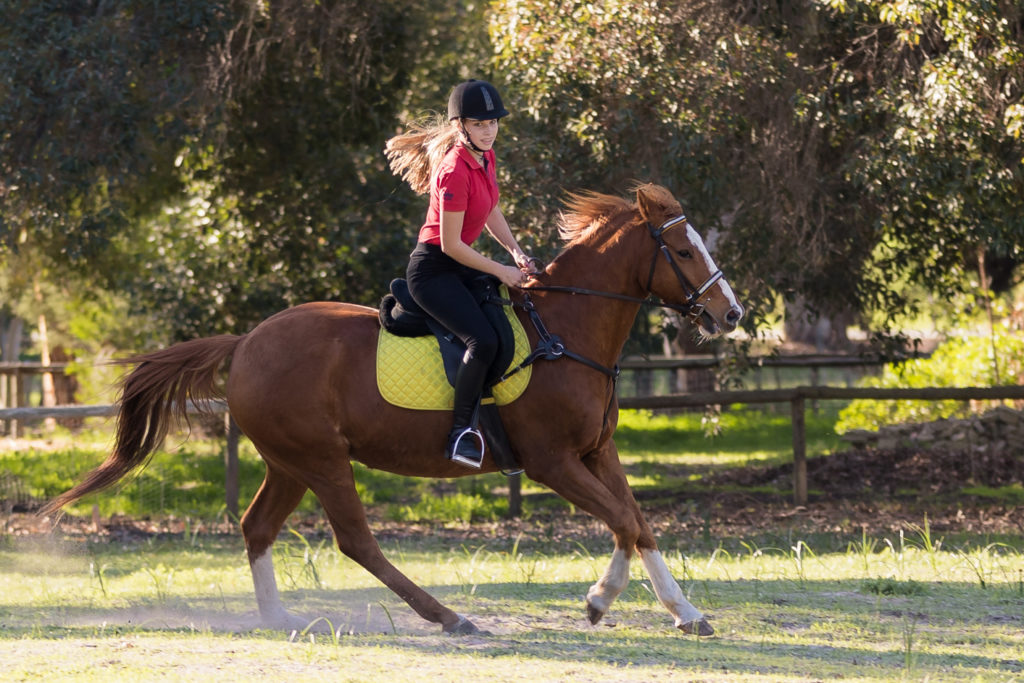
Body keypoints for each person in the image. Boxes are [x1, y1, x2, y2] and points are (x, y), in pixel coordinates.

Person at [385, 79, 537, 468]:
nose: (489, 130)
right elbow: (451, 246)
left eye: (493, 123)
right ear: (461, 127)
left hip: (461, 266)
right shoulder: (453, 169)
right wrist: (501, 270)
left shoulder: (486, 157)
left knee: (507, 322)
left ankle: (504, 428)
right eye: (479, 124)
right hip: (434, 271)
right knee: (482, 342)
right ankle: (461, 434)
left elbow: (491, 209)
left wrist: (516, 252)